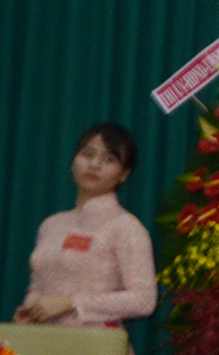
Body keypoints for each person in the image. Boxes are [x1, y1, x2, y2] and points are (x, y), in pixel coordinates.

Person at [15, 123, 157, 331]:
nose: (94, 164)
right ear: (73, 161)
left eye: (109, 159)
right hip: (44, 348)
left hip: (97, 350)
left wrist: (72, 303)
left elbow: (144, 300)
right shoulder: (51, 225)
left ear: (124, 174)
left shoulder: (126, 227)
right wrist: (32, 309)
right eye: (87, 154)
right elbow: (38, 286)